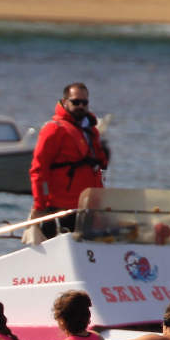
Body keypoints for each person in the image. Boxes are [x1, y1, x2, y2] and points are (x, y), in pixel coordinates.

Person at [28, 82, 110, 238]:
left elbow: (98, 166)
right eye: (75, 102)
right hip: (60, 207)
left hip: (87, 206)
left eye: (84, 102)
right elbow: (39, 170)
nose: (80, 106)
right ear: (65, 102)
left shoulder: (91, 131)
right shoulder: (53, 130)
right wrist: (40, 205)